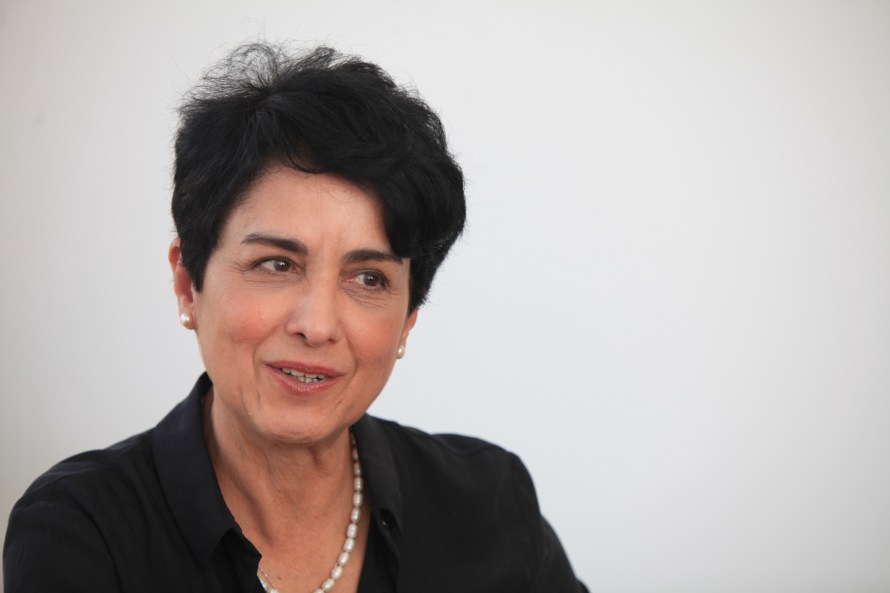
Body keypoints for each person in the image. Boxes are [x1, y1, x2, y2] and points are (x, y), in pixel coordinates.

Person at [4, 43, 587, 592]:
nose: (317, 325)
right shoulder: (83, 533)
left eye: (368, 278)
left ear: (408, 319)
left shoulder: (490, 506)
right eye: (277, 264)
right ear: (188, 284)